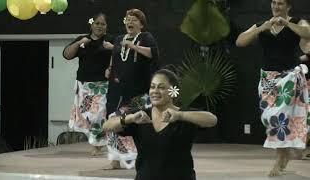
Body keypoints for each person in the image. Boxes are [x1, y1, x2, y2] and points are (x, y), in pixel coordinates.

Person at [236, 0, 310, 177]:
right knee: (269, 118)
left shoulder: (297, 21)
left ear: (288, 6)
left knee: (280, 116)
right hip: (268, 79)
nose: (276, 7)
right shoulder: (263, 24)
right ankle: (285, 153)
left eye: (281, 4)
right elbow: (240, 41)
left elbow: (308, 32)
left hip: (289, 77)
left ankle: (280, 157)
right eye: (274, 3)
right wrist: (262, 28)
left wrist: (287, 23)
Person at [103, 69, 217, 180]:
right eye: (152, 87)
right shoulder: (140, 116)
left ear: (173, 91)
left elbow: (212, 120)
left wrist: (180, 115)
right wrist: (130, 118)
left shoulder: (184, 115)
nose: (155, 91)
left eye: (161, 87)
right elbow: (107, 126)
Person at [105, 8, 159, 169]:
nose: (130, 22)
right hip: (119, 90)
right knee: (113, 119)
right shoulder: (120, 39)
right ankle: (116, 158)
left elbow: (152, 54)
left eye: (134, 20)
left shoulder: (145, 37)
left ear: (141, 24)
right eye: (128, 19)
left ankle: (141, 157)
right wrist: (109, 68)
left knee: (136, 123)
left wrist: (132, 45)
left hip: (141, 92)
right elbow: (115, 56)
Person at [63, 13, 114, 156]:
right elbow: (67, 54)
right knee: (86, 116)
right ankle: (96, 141)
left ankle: (97, 145)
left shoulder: (110, 40)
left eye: (103, 24)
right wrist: (78, 43)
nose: (99, 26)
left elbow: (122, 56)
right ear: (91, 24)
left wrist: (112, 48)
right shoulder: (83, 40)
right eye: (97, 23)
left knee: (98, 115)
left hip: (101, 85)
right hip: (83, 85)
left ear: (106, 27)